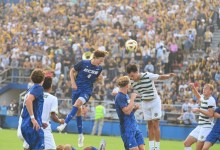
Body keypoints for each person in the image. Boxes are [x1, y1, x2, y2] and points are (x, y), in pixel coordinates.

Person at [57, 50, 108, 147]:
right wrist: (72, 82)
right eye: (100, 60)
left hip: (87, 91)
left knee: (77, 104)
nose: (101, 63)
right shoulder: (83, 63)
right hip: (77, 89)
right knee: (78, 111)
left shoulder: (99, 68)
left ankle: (65, 123)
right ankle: (81, 135)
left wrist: (100, 80)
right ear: (95, 57)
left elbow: (95, 79)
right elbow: (72, 71)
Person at [126, 64, 176, 150]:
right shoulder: (132, 82)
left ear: (137, 72)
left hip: (154, 101)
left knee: (155, 124)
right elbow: (124, 86)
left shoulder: (147, 75)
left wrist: (168, 76)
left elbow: (160, 77)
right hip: (145, 103)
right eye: (130, 76)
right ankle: (151, 147)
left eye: (132, 76)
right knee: (149, 125)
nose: (132, 78)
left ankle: (157, 148)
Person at [114, 76, 145, 150]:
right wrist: (132, 99)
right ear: (127, 85)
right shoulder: (119, 96)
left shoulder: (126, 96)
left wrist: (134, 109)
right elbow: (127, 112)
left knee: (142, 148)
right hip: (127, 127)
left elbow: (129, 111)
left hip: (134, 125)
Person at [184, 83, 216, 150]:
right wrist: (193, 87)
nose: (204, 89)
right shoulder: (204, 97)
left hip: (206, 127)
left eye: (206, 88)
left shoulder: (211, 100)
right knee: (186, 143)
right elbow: (198, 96)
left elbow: (211, 114)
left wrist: (199, 110)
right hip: (200, 126)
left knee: (198, 148)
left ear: (211, 91)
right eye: (204, 88)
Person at [20, 69, 45, 150]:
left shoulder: (30, 89)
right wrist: (33, 119)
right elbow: (28, 100)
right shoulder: (39, 88)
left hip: (27, 124)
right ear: (43, 79)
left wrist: (40, 121)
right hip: (31, 125)